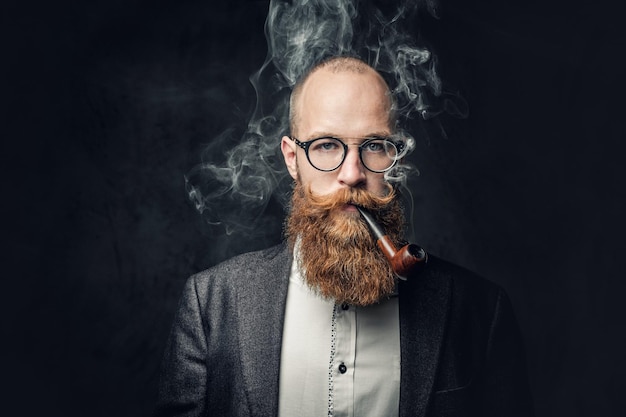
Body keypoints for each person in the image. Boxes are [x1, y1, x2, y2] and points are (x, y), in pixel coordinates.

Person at [155, 56, 534, 417]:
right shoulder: (211, 305)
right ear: (292, 158)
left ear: (395, 157)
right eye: (326, 145)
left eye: (374, 146)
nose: (352, 174)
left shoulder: (480, 312)